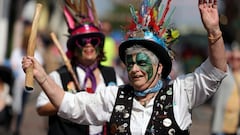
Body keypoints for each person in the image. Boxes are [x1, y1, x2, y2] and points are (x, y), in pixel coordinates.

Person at [22, 0, 228, 134]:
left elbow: (215, 71)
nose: (134, 69)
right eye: (130, 63)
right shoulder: (114, 96)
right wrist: (41, 75)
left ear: (159, 67)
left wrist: (213, 31)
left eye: (142, 62)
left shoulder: (181, 92)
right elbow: (70, 104)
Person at [35, 1, 124, 135]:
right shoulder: (60, 76)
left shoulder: (112, 75)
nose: (89, 46)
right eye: (83, 42)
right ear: (74, 50)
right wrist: (72, 100)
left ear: (99, 47)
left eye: (93, 41)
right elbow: (41, 108)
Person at [211, 41, 240, 135]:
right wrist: (224, 57)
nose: (235, 61)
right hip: (221, 123)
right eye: (232, 58)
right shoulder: (225, 72)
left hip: (235, 124)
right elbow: (215, 65)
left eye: (238, 59)